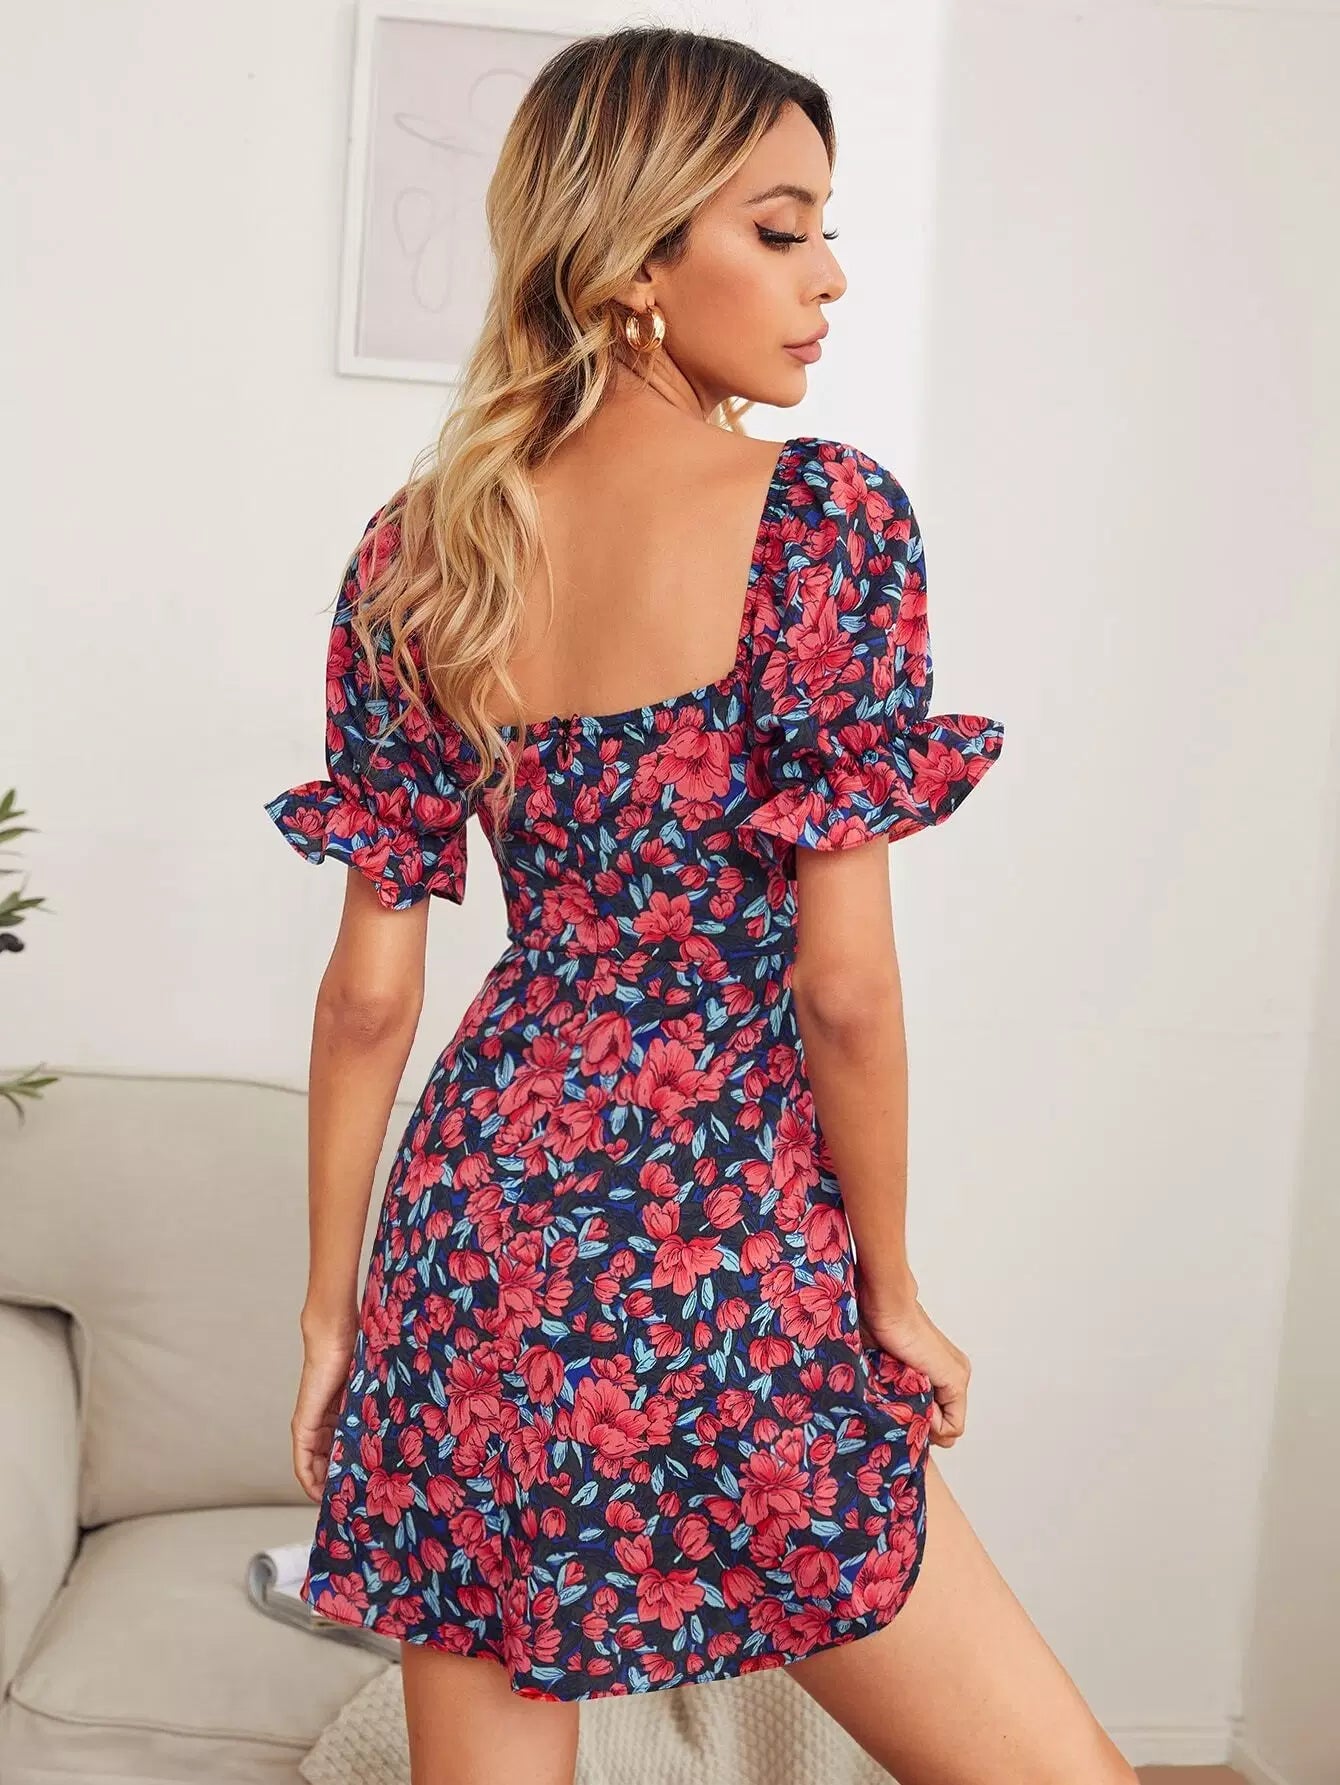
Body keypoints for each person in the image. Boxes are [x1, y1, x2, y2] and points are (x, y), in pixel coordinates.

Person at [264, 26, 1138, 1785]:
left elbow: (368, 1000)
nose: (830, 279)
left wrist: (332, 1308)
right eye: (781, 229)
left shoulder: (419, 555)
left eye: (826, 231)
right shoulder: (823, 524)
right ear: (636, 264)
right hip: (724, 1249)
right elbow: (844, 991)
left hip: (476, 1244)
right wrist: (892, 1284)